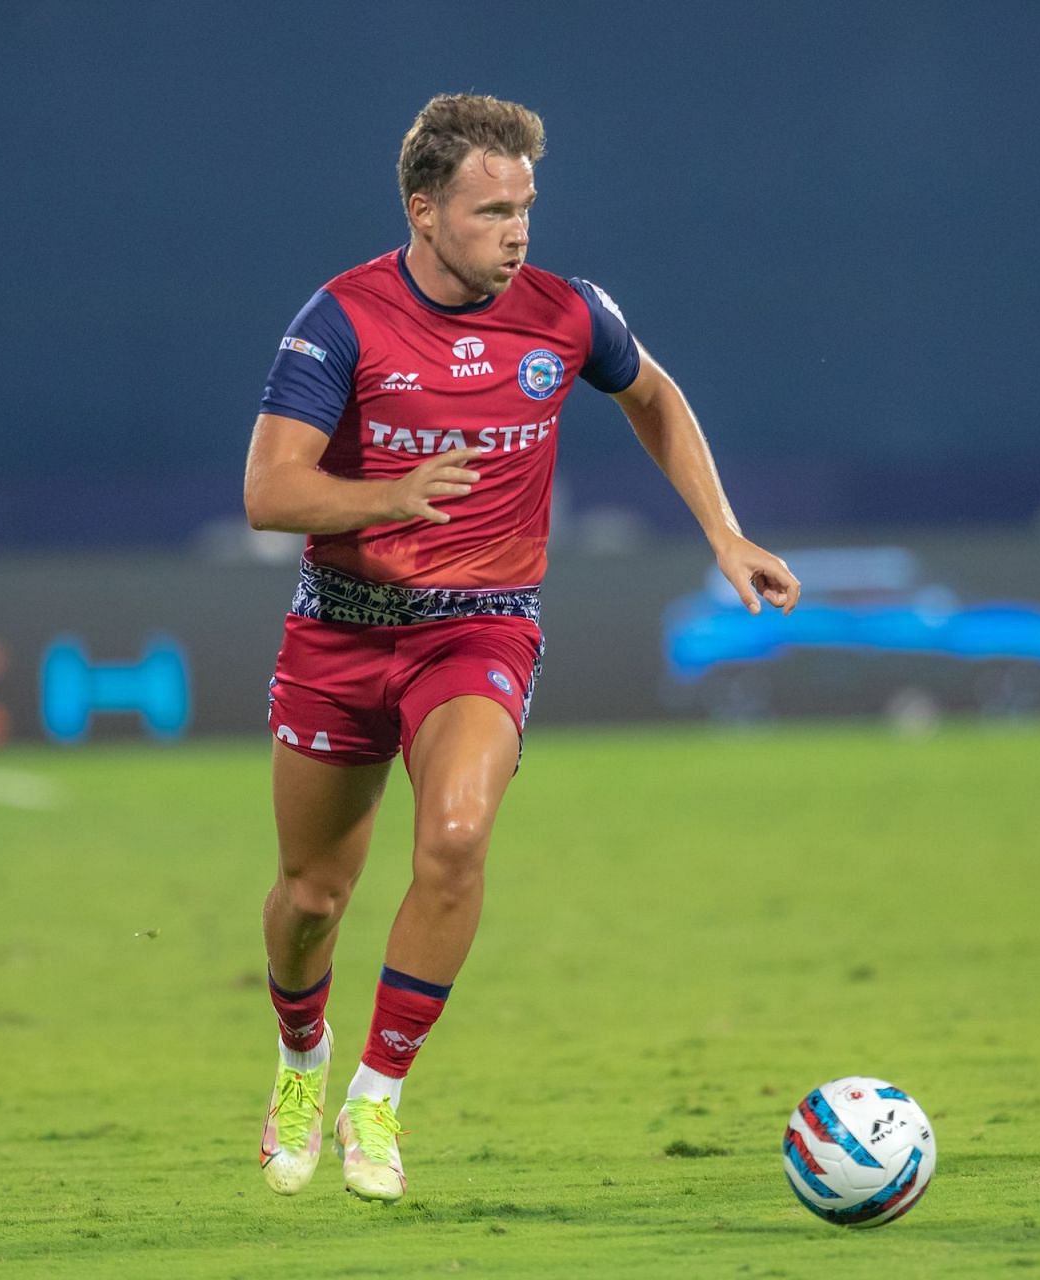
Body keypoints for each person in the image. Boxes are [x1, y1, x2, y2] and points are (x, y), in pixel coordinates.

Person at [242, 93, 799, 1202]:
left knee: (454, 836)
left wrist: (723, 530)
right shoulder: (340, 319)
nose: (517, 230)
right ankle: (301, 1056)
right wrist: (387, 492)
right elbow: (268, 490)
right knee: (311, 896)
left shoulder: (566, 313)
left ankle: (377, 1096)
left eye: (527, 207)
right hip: (342, 631)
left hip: (479, 628)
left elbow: (655, 396)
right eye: (493, 209)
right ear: (425, 210)